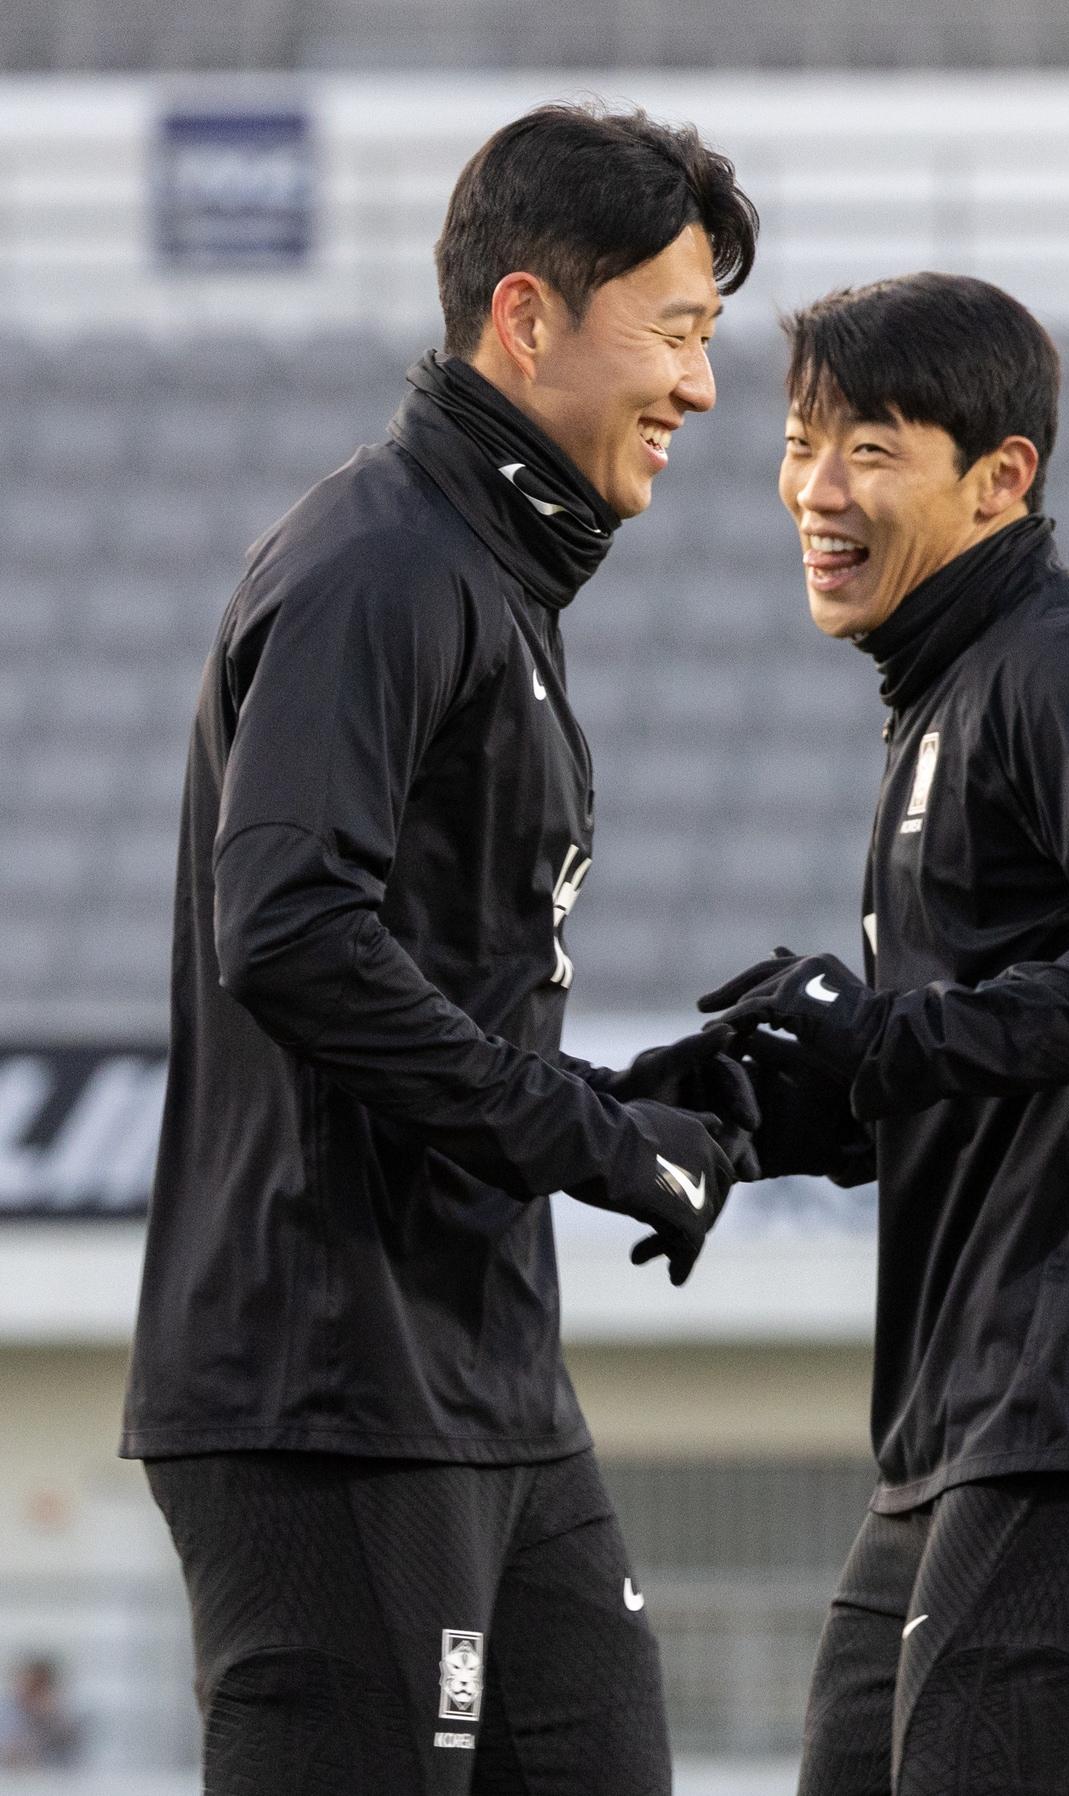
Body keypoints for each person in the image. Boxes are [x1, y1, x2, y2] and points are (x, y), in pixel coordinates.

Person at [120, 103, 759, 1796]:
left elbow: (424, 989)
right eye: (678, 334)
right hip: (330, 1382)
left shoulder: (484, 573)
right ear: (528, 317)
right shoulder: (386, 563)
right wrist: (591, 1139)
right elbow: (291, 929)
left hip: (480, 1377)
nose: (702, 386)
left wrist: (638, 1104)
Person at [700, 272, 1069, 1796]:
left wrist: (889, 1043)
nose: (815, 494)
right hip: (970, 1422)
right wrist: (719, 1115)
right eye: (798, 446)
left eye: (869, 451)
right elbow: (947, 1065)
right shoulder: (945, 693)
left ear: (1002, 478)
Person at [0, 1658, 81, 1768]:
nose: (31, 1694)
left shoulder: (64, 1723)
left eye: (38, 1688)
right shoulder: (6, 1714)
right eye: (28, 1687)